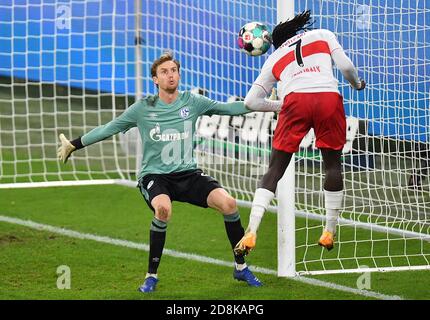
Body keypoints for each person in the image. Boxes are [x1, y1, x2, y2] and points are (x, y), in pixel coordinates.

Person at [57, 52, 263, 292]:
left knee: (229, 203)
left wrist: (261, 104)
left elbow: (229, 109)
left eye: (174, 70)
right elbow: (109, 128)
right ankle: (151, 276)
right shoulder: (143, 108)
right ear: (155, 79)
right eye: (164, 72)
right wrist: (74, 143)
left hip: (188, 174)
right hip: (154, 177)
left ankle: (240, 268)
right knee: (163, 209)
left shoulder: (192, 102)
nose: (170, 75)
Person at [234, 10, 366, 256]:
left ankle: (251, 230)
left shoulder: (275, 58)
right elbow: (346, 67)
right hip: (328, 97)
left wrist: (280, 106)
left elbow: (251, 102)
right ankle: (329, 230)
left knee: (274, 170)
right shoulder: (322, 34)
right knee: (332, 166)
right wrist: (357, 84)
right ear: (298, 30)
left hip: (295, 101)